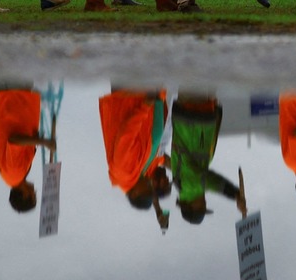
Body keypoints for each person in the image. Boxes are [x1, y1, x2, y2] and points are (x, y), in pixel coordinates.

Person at [171, 89, 243, 224]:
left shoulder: (189, 187)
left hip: (193, 113)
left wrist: (234, 194)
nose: (204, 203)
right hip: (198, 114)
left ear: (190, 206)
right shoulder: (185, 184)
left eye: (201, 207)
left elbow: (210, 181)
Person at [98, 85, 168, 210]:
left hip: (129, 95)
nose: (150, 186)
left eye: (147, 191)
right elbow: (151, 149)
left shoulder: (124, 172)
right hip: (141, 95)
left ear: (135, 193)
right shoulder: (138, 174)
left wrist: (146, 106)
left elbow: (127, 134)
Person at [0, 82, 54, 213]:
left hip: (15, 101)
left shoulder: (15, 173)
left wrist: (43, 142)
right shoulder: (11, 176)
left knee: (20, 63)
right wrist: (34, 139)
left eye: (34, 195)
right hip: (10, 101)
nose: (35, 191)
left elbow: (14, 141)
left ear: (26, 196)